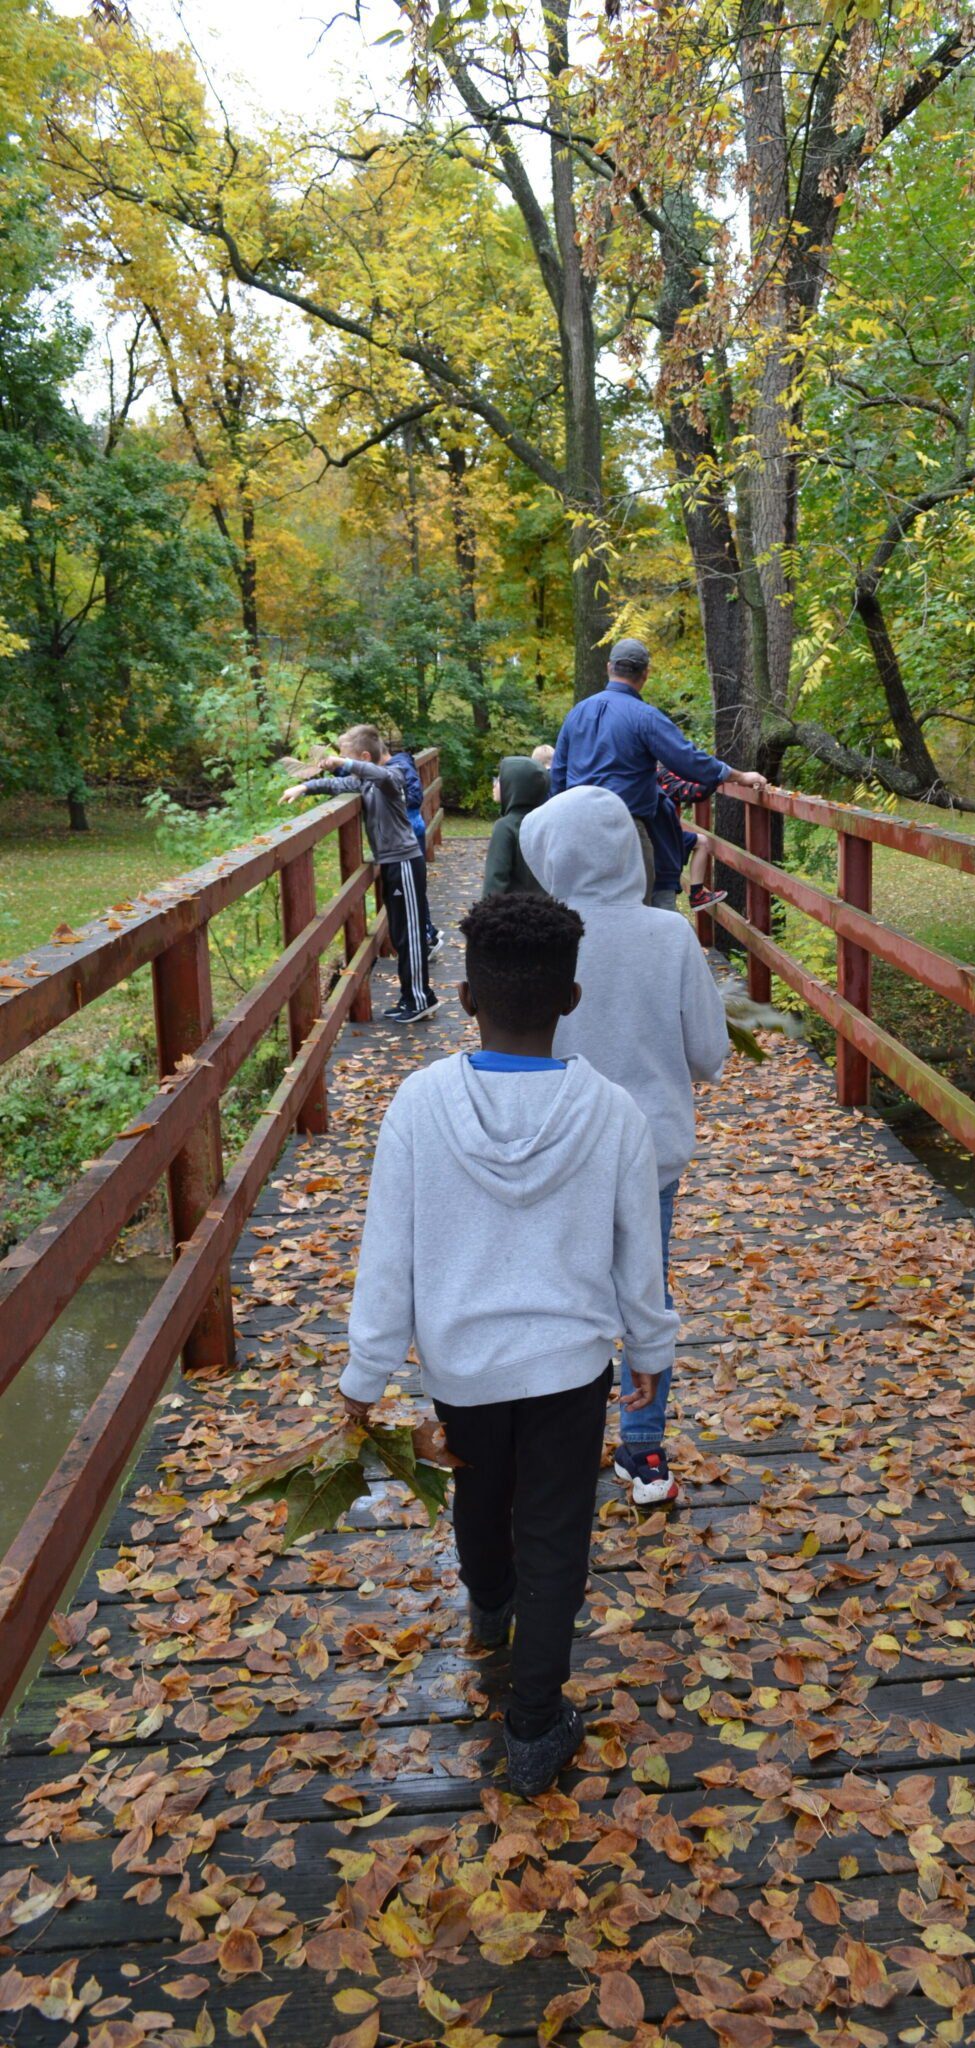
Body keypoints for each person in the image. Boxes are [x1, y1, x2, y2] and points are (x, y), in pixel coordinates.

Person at [337, 891, 677, 1796]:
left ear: (462, 995)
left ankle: (489, 1612)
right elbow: (638, 1256)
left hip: (463, 1363)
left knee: (479, 1496)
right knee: (557, 1529)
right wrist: (651, 1350)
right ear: (572, 999)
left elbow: (389, 1251)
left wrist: (364, 1374)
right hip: (571, 1365)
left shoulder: (419, 1104)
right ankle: (535, 1723)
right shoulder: (611, 1114)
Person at [520, 785, 728, 1506]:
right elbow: (708, 1052)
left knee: (560, 1292)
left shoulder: (544, 936)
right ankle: (643, 1451)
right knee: (645, 1287)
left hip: (555, 1148)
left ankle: (553, 1444)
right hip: (649, 1152)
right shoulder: (667, 935)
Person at [550, 637, 767, 901]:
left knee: (582, 904)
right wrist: (740, 776)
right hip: (624, 829)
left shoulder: (577, 713)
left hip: (578, 826)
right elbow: (688, 760)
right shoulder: (644, 716)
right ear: (645, 674)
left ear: (609, 667)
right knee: (633, 906)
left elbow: (558, 775)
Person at [282, 725, 436, 1025]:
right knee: (400, 932)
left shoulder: (391, 775)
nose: (343, 761)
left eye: (348, 757)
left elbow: (381, 776)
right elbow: (339, 787)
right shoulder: (366, 782)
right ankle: (410, 996)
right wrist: (305, 787)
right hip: (392, 863)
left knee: (410, 934)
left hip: (405, 862)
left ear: (364, 757)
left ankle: (420, 998)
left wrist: (345, 764)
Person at [387, 735, 441, 956]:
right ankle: (427, 932)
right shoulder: (401, 765)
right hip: (408, 835)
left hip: (406, 838)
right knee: (413, 888)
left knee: (411, 889)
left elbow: (414, 797)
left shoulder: (397, 769)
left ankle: (425, 936)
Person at [651, 767, 727, 916]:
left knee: (701, 842)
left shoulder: (628, 776)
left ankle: (697, 894)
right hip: (662, 844)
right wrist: (721, 775)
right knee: (665, 913)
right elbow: (694, 792)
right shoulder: (662, 776)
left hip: (655, 839)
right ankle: (697, 895)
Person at [483, 755, 549, 897]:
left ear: (514, 786)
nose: (494, 785)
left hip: (514, 913)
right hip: (547, 911)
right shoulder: (548, 823)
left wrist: (482, 915)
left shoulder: (505, 827)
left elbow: (495, 881)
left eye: (499, 780)